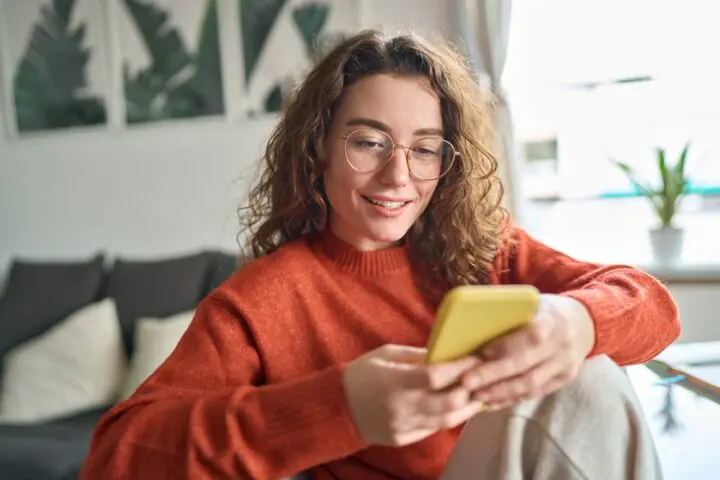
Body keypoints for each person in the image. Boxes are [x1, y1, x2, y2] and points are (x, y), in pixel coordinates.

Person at [81, 30, 680, 480]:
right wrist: (339, 408)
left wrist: (574, 323)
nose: (398, 176)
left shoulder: (485, 248)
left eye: (425, 150)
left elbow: (652, 306)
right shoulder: (260, 302)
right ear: (317, 146)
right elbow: (114, 458)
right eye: (368, 142)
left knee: (592, 370)